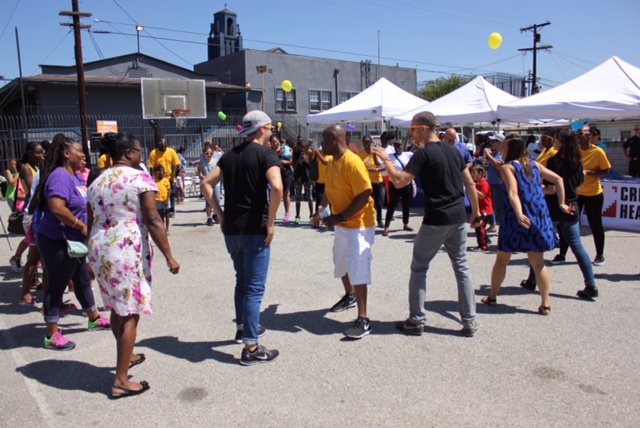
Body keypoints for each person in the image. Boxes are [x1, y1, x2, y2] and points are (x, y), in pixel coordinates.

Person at [373, 111, 481, 337]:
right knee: (461, 268)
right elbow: (469, 182)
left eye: (413, 129)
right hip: (458, 216)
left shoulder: (423, 154)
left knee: (420, 266)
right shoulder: (454, 151)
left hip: (437, 219)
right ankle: (470, 321)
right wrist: (476, 212)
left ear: (423, 128)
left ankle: (416, 319)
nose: (411, 133)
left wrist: (385, 160)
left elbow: (399, 181)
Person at [88, 132, 179, 398]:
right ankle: (120, 381)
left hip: (99, 248)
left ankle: (126, 357)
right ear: (128, 153)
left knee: (117, 307)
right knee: (129, 312)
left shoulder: (96, 180)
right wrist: (169, 256)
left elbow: (92, 218)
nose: (143, 155)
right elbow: (153, 220)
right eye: (139, 151)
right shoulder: (139, 177)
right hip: (125, 249)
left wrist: (87, 260)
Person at [201, 110, 283, 365]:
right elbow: (277, 186)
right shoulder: (266, 155)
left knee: (242, 282)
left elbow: (206, 183)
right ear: (260, 129)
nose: (272, 132)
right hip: (254, 228)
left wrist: (220, 214)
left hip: (233, 229)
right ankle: (251, 346)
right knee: (254, 289)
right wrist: (271, 223)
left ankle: (243, 329)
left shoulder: (228, 156)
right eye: (270, 127)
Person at [36, 136, 111, 350]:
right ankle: (51, 334)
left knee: (82, 279)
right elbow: (57, 208)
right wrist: (80, 225)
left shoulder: (76, 177)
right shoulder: (59, 177)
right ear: (66, 154)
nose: (83, 155)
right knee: (57, 284)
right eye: (79, 150)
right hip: (57, 240)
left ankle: (94, 318)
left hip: (75, 242)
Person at [481, 135, 569, 316]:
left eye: (503, 145)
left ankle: (493, 296)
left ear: (509, 148)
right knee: (538, 263)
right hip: (538, 215)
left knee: (502, 260)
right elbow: (558, 180)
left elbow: (513, 192)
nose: (500, 147)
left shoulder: (508, 167)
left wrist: (519, 213)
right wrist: (561, 203)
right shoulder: (534, 165)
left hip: (516, 216)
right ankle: (545, 304)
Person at [313, 124, 376, 340]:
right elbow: (328, 191)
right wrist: (320, 212)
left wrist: (340, 217)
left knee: (358, 269)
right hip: (341, 225)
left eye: (323, 138)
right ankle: (349, 296)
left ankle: (364, 319)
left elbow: (365, 194)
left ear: (334, 138)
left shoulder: (353, 162)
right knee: (341, 264)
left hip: (359, 225)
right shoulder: (331, 162)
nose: (321, 143)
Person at [544, 129, 600, 300]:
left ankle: (533, 279)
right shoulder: (577, 162)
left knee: (538, 244)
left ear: (561, 141)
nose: (553, 141)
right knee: (577, 246)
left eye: (556, 139)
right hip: (572, 205)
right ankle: (591, 284)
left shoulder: (554, 162)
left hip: (554, 206)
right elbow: (580, 182)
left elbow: (551, 188)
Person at [552, 125, 610, 266]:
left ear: (590, 135)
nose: (579, 136)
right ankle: (562, 254)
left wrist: (590, 173)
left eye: (582, 133)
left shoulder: (598, 152)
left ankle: (599, 255)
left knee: (595, 223)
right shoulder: (574, 151)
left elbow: (605, 171)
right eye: (577, 133)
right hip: (576, 193)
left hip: (593, 193)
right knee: (567, 221)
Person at [16, 141, 45, 306]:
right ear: (29, 152)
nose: (40, 156)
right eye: (37, 152)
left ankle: (32, 281)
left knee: (34, 254)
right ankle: (26, 290)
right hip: (31, 211)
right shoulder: (27, 168)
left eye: (42, 153)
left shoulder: (38, 169)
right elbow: (34, 191)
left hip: (35, 211)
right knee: (35, 254)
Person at [382, 140, 414, 237]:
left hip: (406, 183)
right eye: (395, 146)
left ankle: (405, 224)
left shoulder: (408, 155)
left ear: (403, 147)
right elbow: (385, 167)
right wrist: (377, 169)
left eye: (399, 146)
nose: (397, 147)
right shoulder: (390, 156)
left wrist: (417, 147)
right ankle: (386, 227)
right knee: (392, 205)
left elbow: (419, 157)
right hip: (394, 184)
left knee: (406, 204)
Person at [148, 138, 181, 218]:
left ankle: (171, 210)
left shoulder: (171, 151)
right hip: (159, 179)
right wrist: (152, 178)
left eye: (165, 143)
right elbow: (151, 167)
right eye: (161, 143)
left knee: (172, 194)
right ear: (158, 144)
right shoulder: (153, 153)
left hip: (170, 177)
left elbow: (176, 165)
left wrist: (173, 177)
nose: (163, 145)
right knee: (160, 194)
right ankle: (160, 209)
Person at [358, 135, 385, 228]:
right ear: (362, 143)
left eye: (368, 142)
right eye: (365, 142)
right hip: (366, 181)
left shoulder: (376, 153)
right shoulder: (359, 154)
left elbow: (384, 166)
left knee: (379, 201)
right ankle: (366, 220)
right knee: (365, 201)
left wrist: (376, 170)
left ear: (371, 142)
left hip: (377, 180)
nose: (367, 144)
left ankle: (379, 220)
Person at [483, 133, 505, 233]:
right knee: (491, 205)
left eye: (493, 141)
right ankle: (493, 224)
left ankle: (502, 228)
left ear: (500, 143)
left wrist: (488, 154)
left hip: (498, 184)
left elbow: (497, 164)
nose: (491, 143)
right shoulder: (495, 153)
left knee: (499, 207)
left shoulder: (500, 154)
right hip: (492, 182)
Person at [469, 165, 493, 252]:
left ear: (480, 173)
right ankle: (484, 241)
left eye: (474, 172)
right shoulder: (478, 184)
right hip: (480, 209)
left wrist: (473, 188)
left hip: (485, 210)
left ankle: (483, 246)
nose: (472, 175)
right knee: (477, 227)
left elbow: (482, 196)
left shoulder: (484, 184)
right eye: (471, 173)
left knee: (480, 227)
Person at [197, 144, 220, 226]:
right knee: (208, 201)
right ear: (204, 153)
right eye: (207, 153)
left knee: (217, 199)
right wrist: (206, 179)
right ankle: (209, 217)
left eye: (211, 153)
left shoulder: (216, 161)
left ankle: (215, 214)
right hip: (207, 183)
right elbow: (200, 173)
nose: (209, 155)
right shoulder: (201, 162)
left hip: (216, 183)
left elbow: (218, 172)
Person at [292, 138, 314, 224]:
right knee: (298, 197)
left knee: (310, 197)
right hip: (298, 178)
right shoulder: (295, 153)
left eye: (303, 147)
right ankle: (297, 216)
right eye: (301, 147)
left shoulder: (309, 154)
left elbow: (311, 166)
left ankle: (311, 215)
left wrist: (306, 160)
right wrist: (299, 159)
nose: (302, 149)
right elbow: (294, 167)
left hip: (307, 177)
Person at [154, 165, 171, 232]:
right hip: (158, 200)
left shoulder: (166, 180)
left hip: (165, 199)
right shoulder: (155, 181)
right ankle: (162, 228)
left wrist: (167, 199)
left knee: (167, 214)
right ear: (156, 173)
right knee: (160, 214)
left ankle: (167, 228)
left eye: (163, 172)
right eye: (159, 173)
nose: (161, 174)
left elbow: (169, 190)